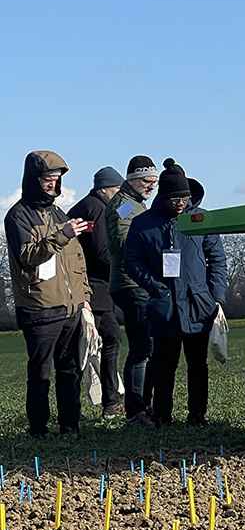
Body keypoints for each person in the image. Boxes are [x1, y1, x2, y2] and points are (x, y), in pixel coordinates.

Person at [124, 159, 227, 427]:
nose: (180, 203)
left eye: (184, 198)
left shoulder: (201, 220)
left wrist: (215, 296)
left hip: (198, 304)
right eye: (174, 199)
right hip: (164, 305)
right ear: (163, 197)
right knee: (164, 365)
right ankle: (162, 415)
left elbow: (217, 259)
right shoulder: (142, 224)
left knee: (198, 365)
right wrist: (155, 287)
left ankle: (197, 416)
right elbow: (132, 261)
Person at [4, 151, 92, 437]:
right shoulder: (18, 216)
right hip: (39, 307)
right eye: (47, 179)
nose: (53, 184)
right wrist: (62, 234)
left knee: (70, 372)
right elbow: (28, 256)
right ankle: (38, 430)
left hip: (70, 308)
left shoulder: (58, 213)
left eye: (56, 179)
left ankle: (70, 427)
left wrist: (84, 298)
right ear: (33, 179)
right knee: (40, 375)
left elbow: (76, 260)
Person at [68, 166, 126, 418]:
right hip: (96, 290)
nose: (119, 195)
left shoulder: (82, 207)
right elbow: (103, 252)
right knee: (102, 341)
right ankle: (110, 402)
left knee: (86, 345)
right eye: (117, 190)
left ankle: (81, 405)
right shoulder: (100, 209)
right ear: (105, 189)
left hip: (81, 288)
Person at [106, 155, 159, 427]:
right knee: (141, 348)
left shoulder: (136, 204)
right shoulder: (125, 205)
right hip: (131, 283)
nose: (152, 186)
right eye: (148, 181)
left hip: (139, 282)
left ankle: (143, 406)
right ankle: (135, 410)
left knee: (146, 347)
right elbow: (125, 240)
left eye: (155, 182)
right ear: (133, 180)